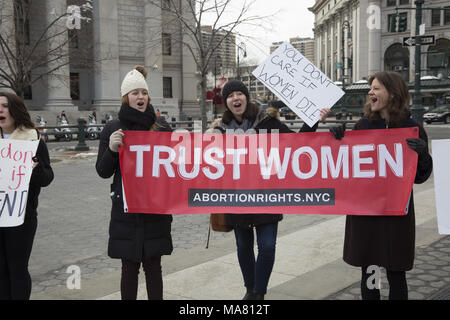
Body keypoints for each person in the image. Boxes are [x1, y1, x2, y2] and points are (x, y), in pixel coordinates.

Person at [209, 79, 330, 300]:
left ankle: (259, 292)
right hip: (236, 198)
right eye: (230, 95)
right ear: (226, 102)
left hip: (267, 195)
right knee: (243, 247)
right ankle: (250, 289)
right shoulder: (220, 130)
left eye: (239, 93)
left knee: (267, 246)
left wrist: (313, 120)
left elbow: (298, 143)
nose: (236, 98)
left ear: (246, 96)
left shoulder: (268, 123)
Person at [330, 71, 433, 300]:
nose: (370, 93)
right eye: (371, 88)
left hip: (397, 217)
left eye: (376, 88)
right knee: (371, 273)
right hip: (367, 218)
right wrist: (337, 141)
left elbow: (420, 177)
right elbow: (345, 169)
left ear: (393, 93)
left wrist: (423, 155)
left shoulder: (412, 127)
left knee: (397, 275)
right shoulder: (363, 126)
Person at [95, 65, 173, 300]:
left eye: (143, 92)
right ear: (125, 98)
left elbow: (174, 169)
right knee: (129, 267)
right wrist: (111, 150)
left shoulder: (161, 127)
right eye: (134, 93)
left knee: (153, 266)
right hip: (126, 212)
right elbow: (102, 171)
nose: (140, 97)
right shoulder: (113, 128)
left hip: (155, 209)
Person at [0, 91, 54, 300]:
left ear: (14, 110)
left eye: (4, 106)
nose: (0, 110)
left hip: (21, 216)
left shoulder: (32, 139)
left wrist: (34, 170)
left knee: (17, 268)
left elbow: (48, 176)